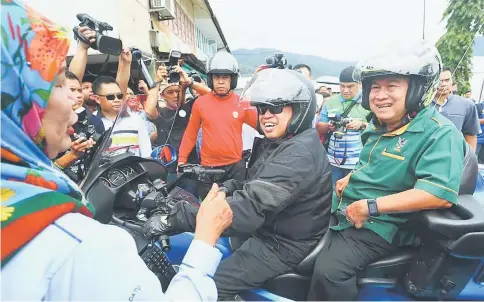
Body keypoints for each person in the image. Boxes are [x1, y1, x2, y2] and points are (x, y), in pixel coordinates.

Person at [1, 2, 233, 300]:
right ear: (18, 97)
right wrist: (205, 241)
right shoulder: (78, 246)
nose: (74, 110)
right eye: (58, 84)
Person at [144, 68, 333, 300]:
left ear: (299, 110)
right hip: (276, 228)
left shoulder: (298, 154)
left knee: (209, 287)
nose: (265, 115)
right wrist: (226, 187)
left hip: (281, 244)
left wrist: (175, 217)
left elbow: (249, 208)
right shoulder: (284, 142)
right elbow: (253, 180)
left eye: (275, 108)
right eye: (262, 108)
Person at [308, 42, 467, 301]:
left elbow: (438, 193)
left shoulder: (439, 133)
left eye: (392, 86)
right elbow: (376, 164)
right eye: (375, 87)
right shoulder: (381, 126)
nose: (380, 95)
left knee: (330, 273)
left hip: (384, 225)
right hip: (347, 210)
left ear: (417, 89)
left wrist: (371, 206)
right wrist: (352, 176)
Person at [178, 51, 258, 199]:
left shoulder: (242, 103)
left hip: (235, 168)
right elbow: (191, 133)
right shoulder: (200, 103)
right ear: (210, 79)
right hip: (208, 168)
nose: (221, 81)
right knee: (209, 208)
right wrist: (182, 159)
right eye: (217, 77)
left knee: (235, 209)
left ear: (232, 80)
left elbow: (262, 126)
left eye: (225, 77)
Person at [316, 66, 372, 185]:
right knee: (333, 190)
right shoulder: (330, 101)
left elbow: (379, 128)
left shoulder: (369, 101)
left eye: (350, 86)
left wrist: (362, 124)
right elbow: (319, 126)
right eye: (342, 86)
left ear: (359, 84)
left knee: (353, 191)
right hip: (333, 160)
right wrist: (329, 126)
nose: (345, 90)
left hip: (359, 162)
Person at [92, 75, 152, 157]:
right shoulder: (91, 121)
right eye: (110, 97)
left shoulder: (136, 119)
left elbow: (146, 151)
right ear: (97, 99)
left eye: (120, 96)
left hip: (134, 168)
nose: (116, 100)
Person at [432, 68, 480, 150]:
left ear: (452, 82)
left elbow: (471, 135)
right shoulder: (420, 104)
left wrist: (469, 160)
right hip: (424, 156)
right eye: (440, 80)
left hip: (453, 156)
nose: (443, 84)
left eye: (447, 80)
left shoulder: (467, 105)